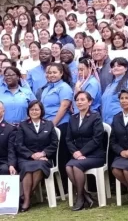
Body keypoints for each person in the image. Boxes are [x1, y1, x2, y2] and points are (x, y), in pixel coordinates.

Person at [16, 100, 59, 212]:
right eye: (31, 109)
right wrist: (31, 155)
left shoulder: (49, 124)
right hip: (26, 158)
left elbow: (54, 143)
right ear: (28, 111)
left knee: (39, 166)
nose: (34, 111)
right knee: (27, 168)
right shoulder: (23, 125)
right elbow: (19, 145)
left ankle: (25, 198)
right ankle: (28, 198)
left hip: (44, 158)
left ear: (41, 111)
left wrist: (43, 153)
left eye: (36, 109)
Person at [66, 91, 105, 211]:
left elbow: (97, 138)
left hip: (95, 155)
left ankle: (80, 198)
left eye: (82, 99)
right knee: (68, 167)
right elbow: (68, 139)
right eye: (77, 100)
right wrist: (75, 153)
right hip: (78, 155)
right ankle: (84, 194)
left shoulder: (95, 116)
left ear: (90, 102)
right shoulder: (73, 118)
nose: (79, 102)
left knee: (75, 167)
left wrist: (82, 152)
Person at [40, 62, 74, 190]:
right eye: (49, 73)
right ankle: (56, 187)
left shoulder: (64, 87)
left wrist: (53, 124)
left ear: (61, 73)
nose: (51, 75)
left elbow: (64, 107)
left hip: (61, 125)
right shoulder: (47, 88)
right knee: (52, 155)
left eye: (54, 72)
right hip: (48, 125)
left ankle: (66, 187)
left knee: (62, 156)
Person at [101, 57, 128, 125]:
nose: (115, 68)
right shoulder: (109, 86)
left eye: (119, 66)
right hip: (106, 122)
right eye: (113, 66)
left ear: (126, 68)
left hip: (121, 123)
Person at [0, 101, 18, 175]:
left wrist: (11, 164)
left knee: (5, 170)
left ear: (3, 111)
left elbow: (11, 149)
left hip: (3, 161)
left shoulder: (10, 128)